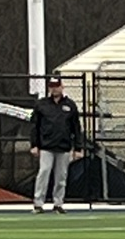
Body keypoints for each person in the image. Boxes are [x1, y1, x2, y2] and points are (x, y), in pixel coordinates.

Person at [29, 74, 84, 214]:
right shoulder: (41, 104)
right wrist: (34, 145)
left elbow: (76, 128)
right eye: (52, 87)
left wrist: (78, 148)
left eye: (56, 86)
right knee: (44, 173)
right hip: (46, 147)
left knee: (61, 177)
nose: (54, 89)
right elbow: (34, 126)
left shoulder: (70, 105)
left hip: (64, 147)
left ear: (62, 87)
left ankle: (58, 203)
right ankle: (38, 203)